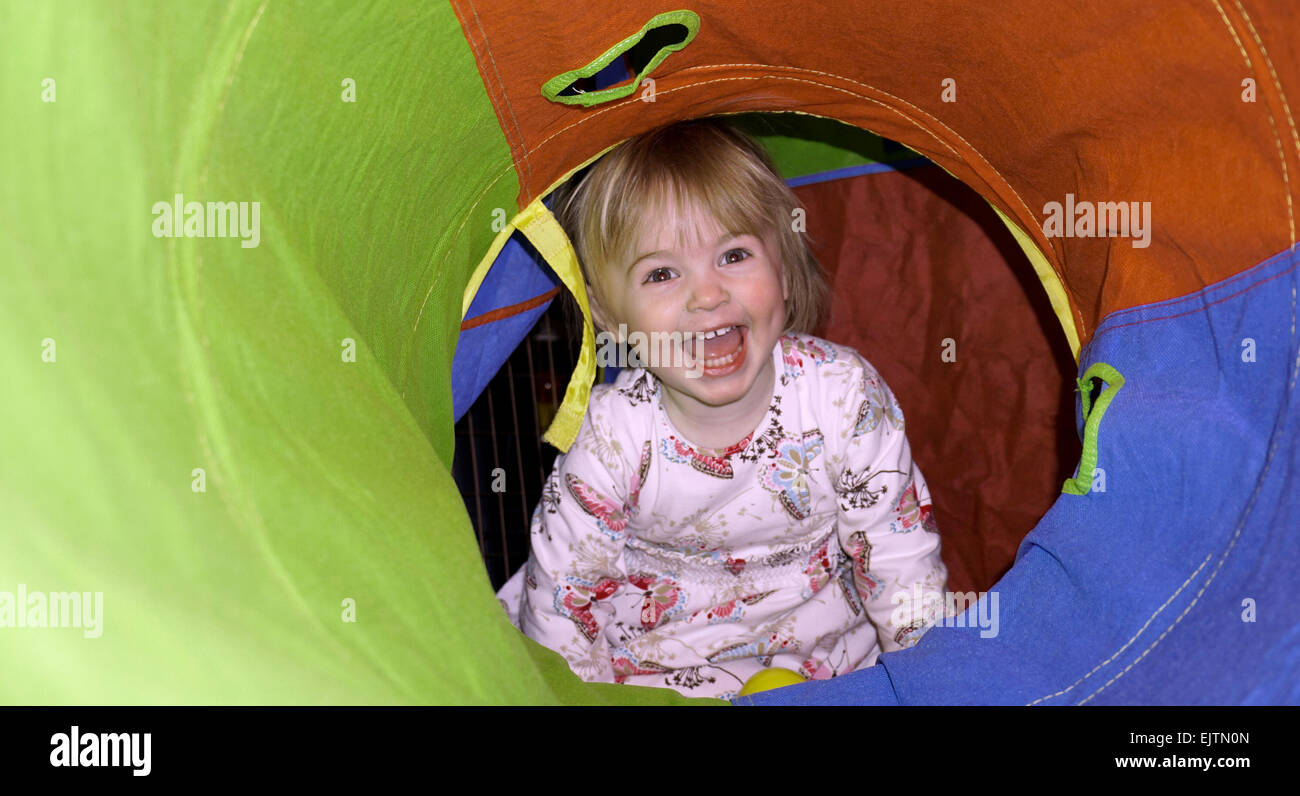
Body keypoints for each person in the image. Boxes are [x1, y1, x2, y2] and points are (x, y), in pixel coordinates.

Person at [496, 117, 947, 699]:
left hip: (830, 661)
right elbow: (564, 605)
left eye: (734, 255)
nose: (707, 293)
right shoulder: (611, 439)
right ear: (611, 318)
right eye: (661, 273)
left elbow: (900, 560)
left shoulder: (842, 398)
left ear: (784, 271)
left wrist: (922, 686)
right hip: (656, 670)